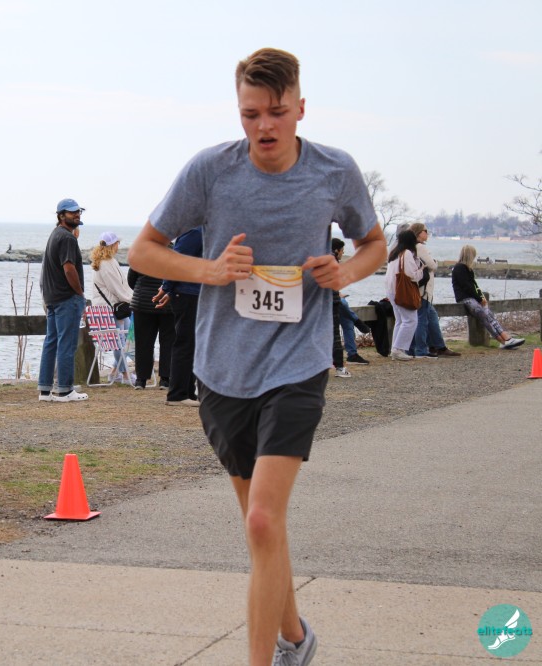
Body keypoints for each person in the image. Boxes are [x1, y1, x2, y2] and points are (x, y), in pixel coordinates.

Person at [128, 48, 386, 666]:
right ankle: (296, 637)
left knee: (264, 521)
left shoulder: (334, 170)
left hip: (298, 361)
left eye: (276, 112)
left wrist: (346, 272)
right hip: (223, 368)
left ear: (300, 107)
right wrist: (211, 270)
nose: (264, 127)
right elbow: (143, 251)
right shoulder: (210, 171)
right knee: (260, 527)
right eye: (250, 115)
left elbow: (374, 243)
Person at [37, 199, 88, 402]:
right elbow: (68, 268)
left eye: (78, 211)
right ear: (61, 215)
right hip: (66, 298)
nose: (77, 214)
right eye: (72, 212)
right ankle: (66, 390)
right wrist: (80, 293)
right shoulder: (67, 238)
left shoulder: (55, 234)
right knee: (67, 343)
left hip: (52, 298)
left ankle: (45, 390)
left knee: (51, 342)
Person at [158, 228, 202, 406]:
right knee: (185, 342)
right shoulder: (196, 231)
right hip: (187, 293)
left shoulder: (201, 230)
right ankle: (177, 394)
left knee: (192, 344)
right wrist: (167, 288)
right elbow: (175, 261)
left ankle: (188, 391)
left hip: (193, 292)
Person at [451, 245, 525, 350]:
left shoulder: (468, 269)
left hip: (472, 298)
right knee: (484, 316)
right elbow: (467, 286)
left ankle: (506, 339)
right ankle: (503, 340)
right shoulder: (459, 268)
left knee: (489, 315)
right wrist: (479, 298)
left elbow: (474, 285)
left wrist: (481, 297)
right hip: (465, 298)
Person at [408, 223, 460, 358]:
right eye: (425, 231)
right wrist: (434, 262)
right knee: (422, 320)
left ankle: (438, 346)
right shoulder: (420, 247)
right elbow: (432, 265)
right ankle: (421, 350)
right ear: (419, 232)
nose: (427, 233)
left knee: (432, 318)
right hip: (423, 291)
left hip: (420, 290)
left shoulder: (410, 247)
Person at [89, 231, 135, 384]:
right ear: (113, 245)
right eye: (117, 243)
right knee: (120, 342)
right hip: (110, 309)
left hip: (110, 307)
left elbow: (119, 286)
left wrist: (130, 297)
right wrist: (133, 299)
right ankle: (126, 375)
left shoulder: (107, 261)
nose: (118, 246)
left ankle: (114, 372)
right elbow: (117, 288)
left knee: (126, 340)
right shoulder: (106, 264)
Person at [128, 264, 174, 390]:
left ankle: (141, 379)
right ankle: (165, 378)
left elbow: (131, 280)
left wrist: (142, 289)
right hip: (168, 304)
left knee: (143, 342)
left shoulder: (141, 255)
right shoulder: (174, 254)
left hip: (142, 301)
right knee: (168, 341)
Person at [331, 238, 371, 366]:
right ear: (336, 250)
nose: (343, 253)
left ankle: (352, 354)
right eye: (342, 250)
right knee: (343, 303)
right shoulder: (330, 263)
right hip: (326, 303)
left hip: (334, 299)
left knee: (347, 319)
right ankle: (357, 321)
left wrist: (338, 293)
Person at [385, 230, 423, 361]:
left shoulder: (394, 253)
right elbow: (412, 275)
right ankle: (398, 349)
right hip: (401, 290)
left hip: (391, 289)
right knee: (411, 320)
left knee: (400, 320)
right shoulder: (406, 253)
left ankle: (395, 349)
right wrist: (421, 270)